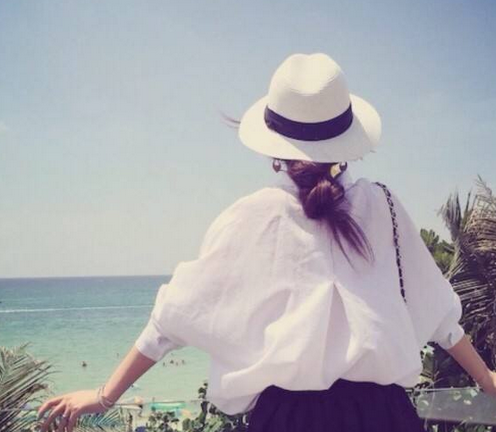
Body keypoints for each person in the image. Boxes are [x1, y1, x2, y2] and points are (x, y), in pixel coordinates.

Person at [37, 53, 496, 432]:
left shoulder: (252, 216)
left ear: (275, 149)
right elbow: (440, 317)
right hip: (383, 418)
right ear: (347, 139)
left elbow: (171, 321)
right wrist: (487, 380)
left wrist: (104, 396)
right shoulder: (385, 206)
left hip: (287, 420)